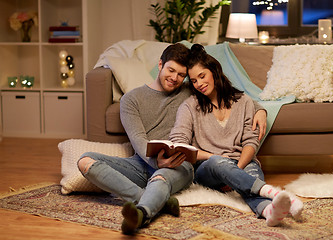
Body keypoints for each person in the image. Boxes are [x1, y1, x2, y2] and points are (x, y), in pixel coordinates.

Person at [77, 43, 267, 235]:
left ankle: (143, 212)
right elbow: (139, 141)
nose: (174, 78)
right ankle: (155, 200)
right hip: (142, 162)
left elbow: (226, 92)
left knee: (162, 175)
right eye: (171, 70)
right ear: (160, 65)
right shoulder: (131, 99)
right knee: (85, 160)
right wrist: (155, 161)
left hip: (178, 163)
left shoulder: (189, 90)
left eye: (180, 75)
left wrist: (260, 110)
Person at [169, 44, 303, 227]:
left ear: (214, 71)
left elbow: (251, 142)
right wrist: (215, 159)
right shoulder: (189, 106)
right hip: (208, 168)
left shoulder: (244, 102)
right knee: (218, 162)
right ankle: (273, 193)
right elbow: (180, 145)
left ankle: (268, 210)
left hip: (242, 162)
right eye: (193, 81)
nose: (199, 84)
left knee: (252, 173)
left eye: (202, 76)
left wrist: (235, 171)